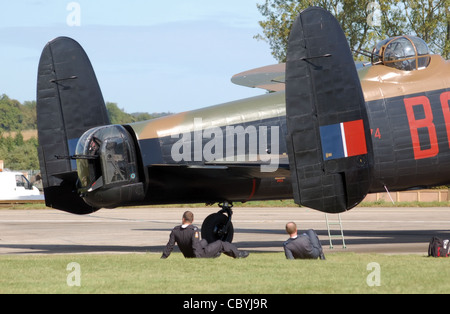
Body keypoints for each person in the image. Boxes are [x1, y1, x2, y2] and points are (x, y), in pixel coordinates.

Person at [161, 211, 249, 259]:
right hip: (198, 255)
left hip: (187, 255)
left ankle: (215, 254)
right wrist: (198, 259)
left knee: (204, 241)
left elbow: (170, 245)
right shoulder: (193, 230)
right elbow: (195, 247)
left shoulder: (175, 230)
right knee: (220, 243)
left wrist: (164, 257)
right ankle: (238, 254)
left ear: (183, 219)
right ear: (192, 220)